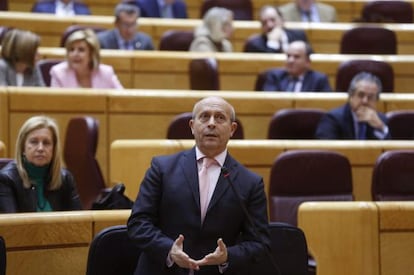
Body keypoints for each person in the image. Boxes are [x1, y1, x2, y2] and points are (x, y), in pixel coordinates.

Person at [127, 96, 270, 274]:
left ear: (232, 129)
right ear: (192, 126)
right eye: (204, 117)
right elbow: (138, 223)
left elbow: (260, 243)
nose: (211, 123)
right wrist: (169, 250)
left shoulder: (250, 182)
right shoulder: (162, 169)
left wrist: (227, 256)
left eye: (220, 117)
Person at [0, 116, 82, 213]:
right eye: (34, 142)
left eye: (46, 143)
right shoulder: (6, 179)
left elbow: (80, 223)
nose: (40, 148)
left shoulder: (65, 178)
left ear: (54, 149)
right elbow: (11, 225)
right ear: (23, 147)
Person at [315, 72, 390, 140]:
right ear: (351, 96)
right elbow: (326, 151)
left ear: (376, 100)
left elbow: (389, 151)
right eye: (361, 95)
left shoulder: (381, 120)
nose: (365, 101)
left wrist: (381, 128)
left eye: (370, 97)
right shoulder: (333, 119)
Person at [50, 28, 124, 88]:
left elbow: (122, 99)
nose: (75, 54)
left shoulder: (106, 73)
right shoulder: (58, 73)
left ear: (92, 54)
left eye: (81, 50)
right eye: (71, 50)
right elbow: (54, 104)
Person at [261, 40, 332, 92]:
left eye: (296, 57)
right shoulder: (275, 76)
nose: (290, 60)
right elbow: (269, 103)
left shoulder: (319, 79)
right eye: (288, 56)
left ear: (308, 62)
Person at [244, 5, 308, 53]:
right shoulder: (254, 44)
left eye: (273, 20)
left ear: (282, 20)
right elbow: (267, 66)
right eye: (264, 22)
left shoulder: (299, 36)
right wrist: (272, 43)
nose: (269, 25)